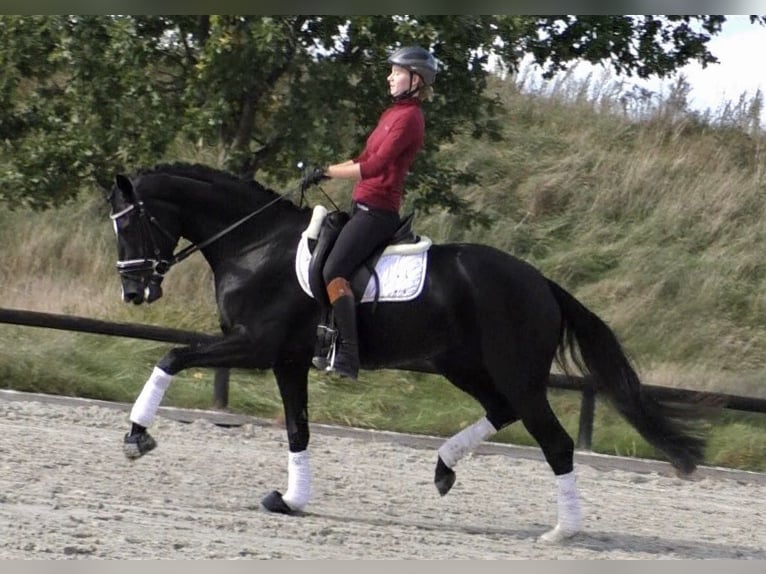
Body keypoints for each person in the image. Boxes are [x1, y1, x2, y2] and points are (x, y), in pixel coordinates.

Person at [301, 45, 437, 380]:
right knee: (321, 260)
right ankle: (325, 338)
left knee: (334, 270)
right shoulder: (391, 114)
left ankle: (349, 352)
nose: (390, 77)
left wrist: (329, 172)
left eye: (397, 72)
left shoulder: (409, 119)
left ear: (416, 79)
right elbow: (362, 158)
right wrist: (323, 169)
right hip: (361, 205)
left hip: (378, 211)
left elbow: (374, 167)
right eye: (391, 71)